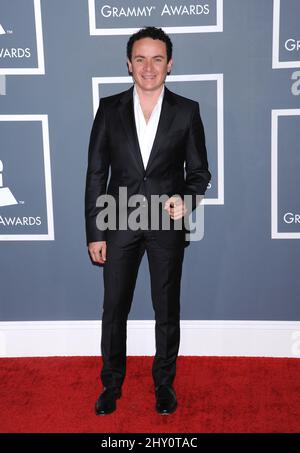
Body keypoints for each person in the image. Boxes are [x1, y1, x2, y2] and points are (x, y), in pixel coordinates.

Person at [85, 26, 211, 415]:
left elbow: (200, 173)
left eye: (157, 59)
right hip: (118, 221)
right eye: (140, 59)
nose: (148, 67)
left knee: (166, 309)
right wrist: (95, 232)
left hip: (166, 227)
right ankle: (111, 384)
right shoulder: (108, 109)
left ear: (169, 64)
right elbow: (96, 174)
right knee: (114, 309)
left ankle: (164, 385)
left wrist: (187, 201)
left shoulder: (187, 111)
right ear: (129, 64)